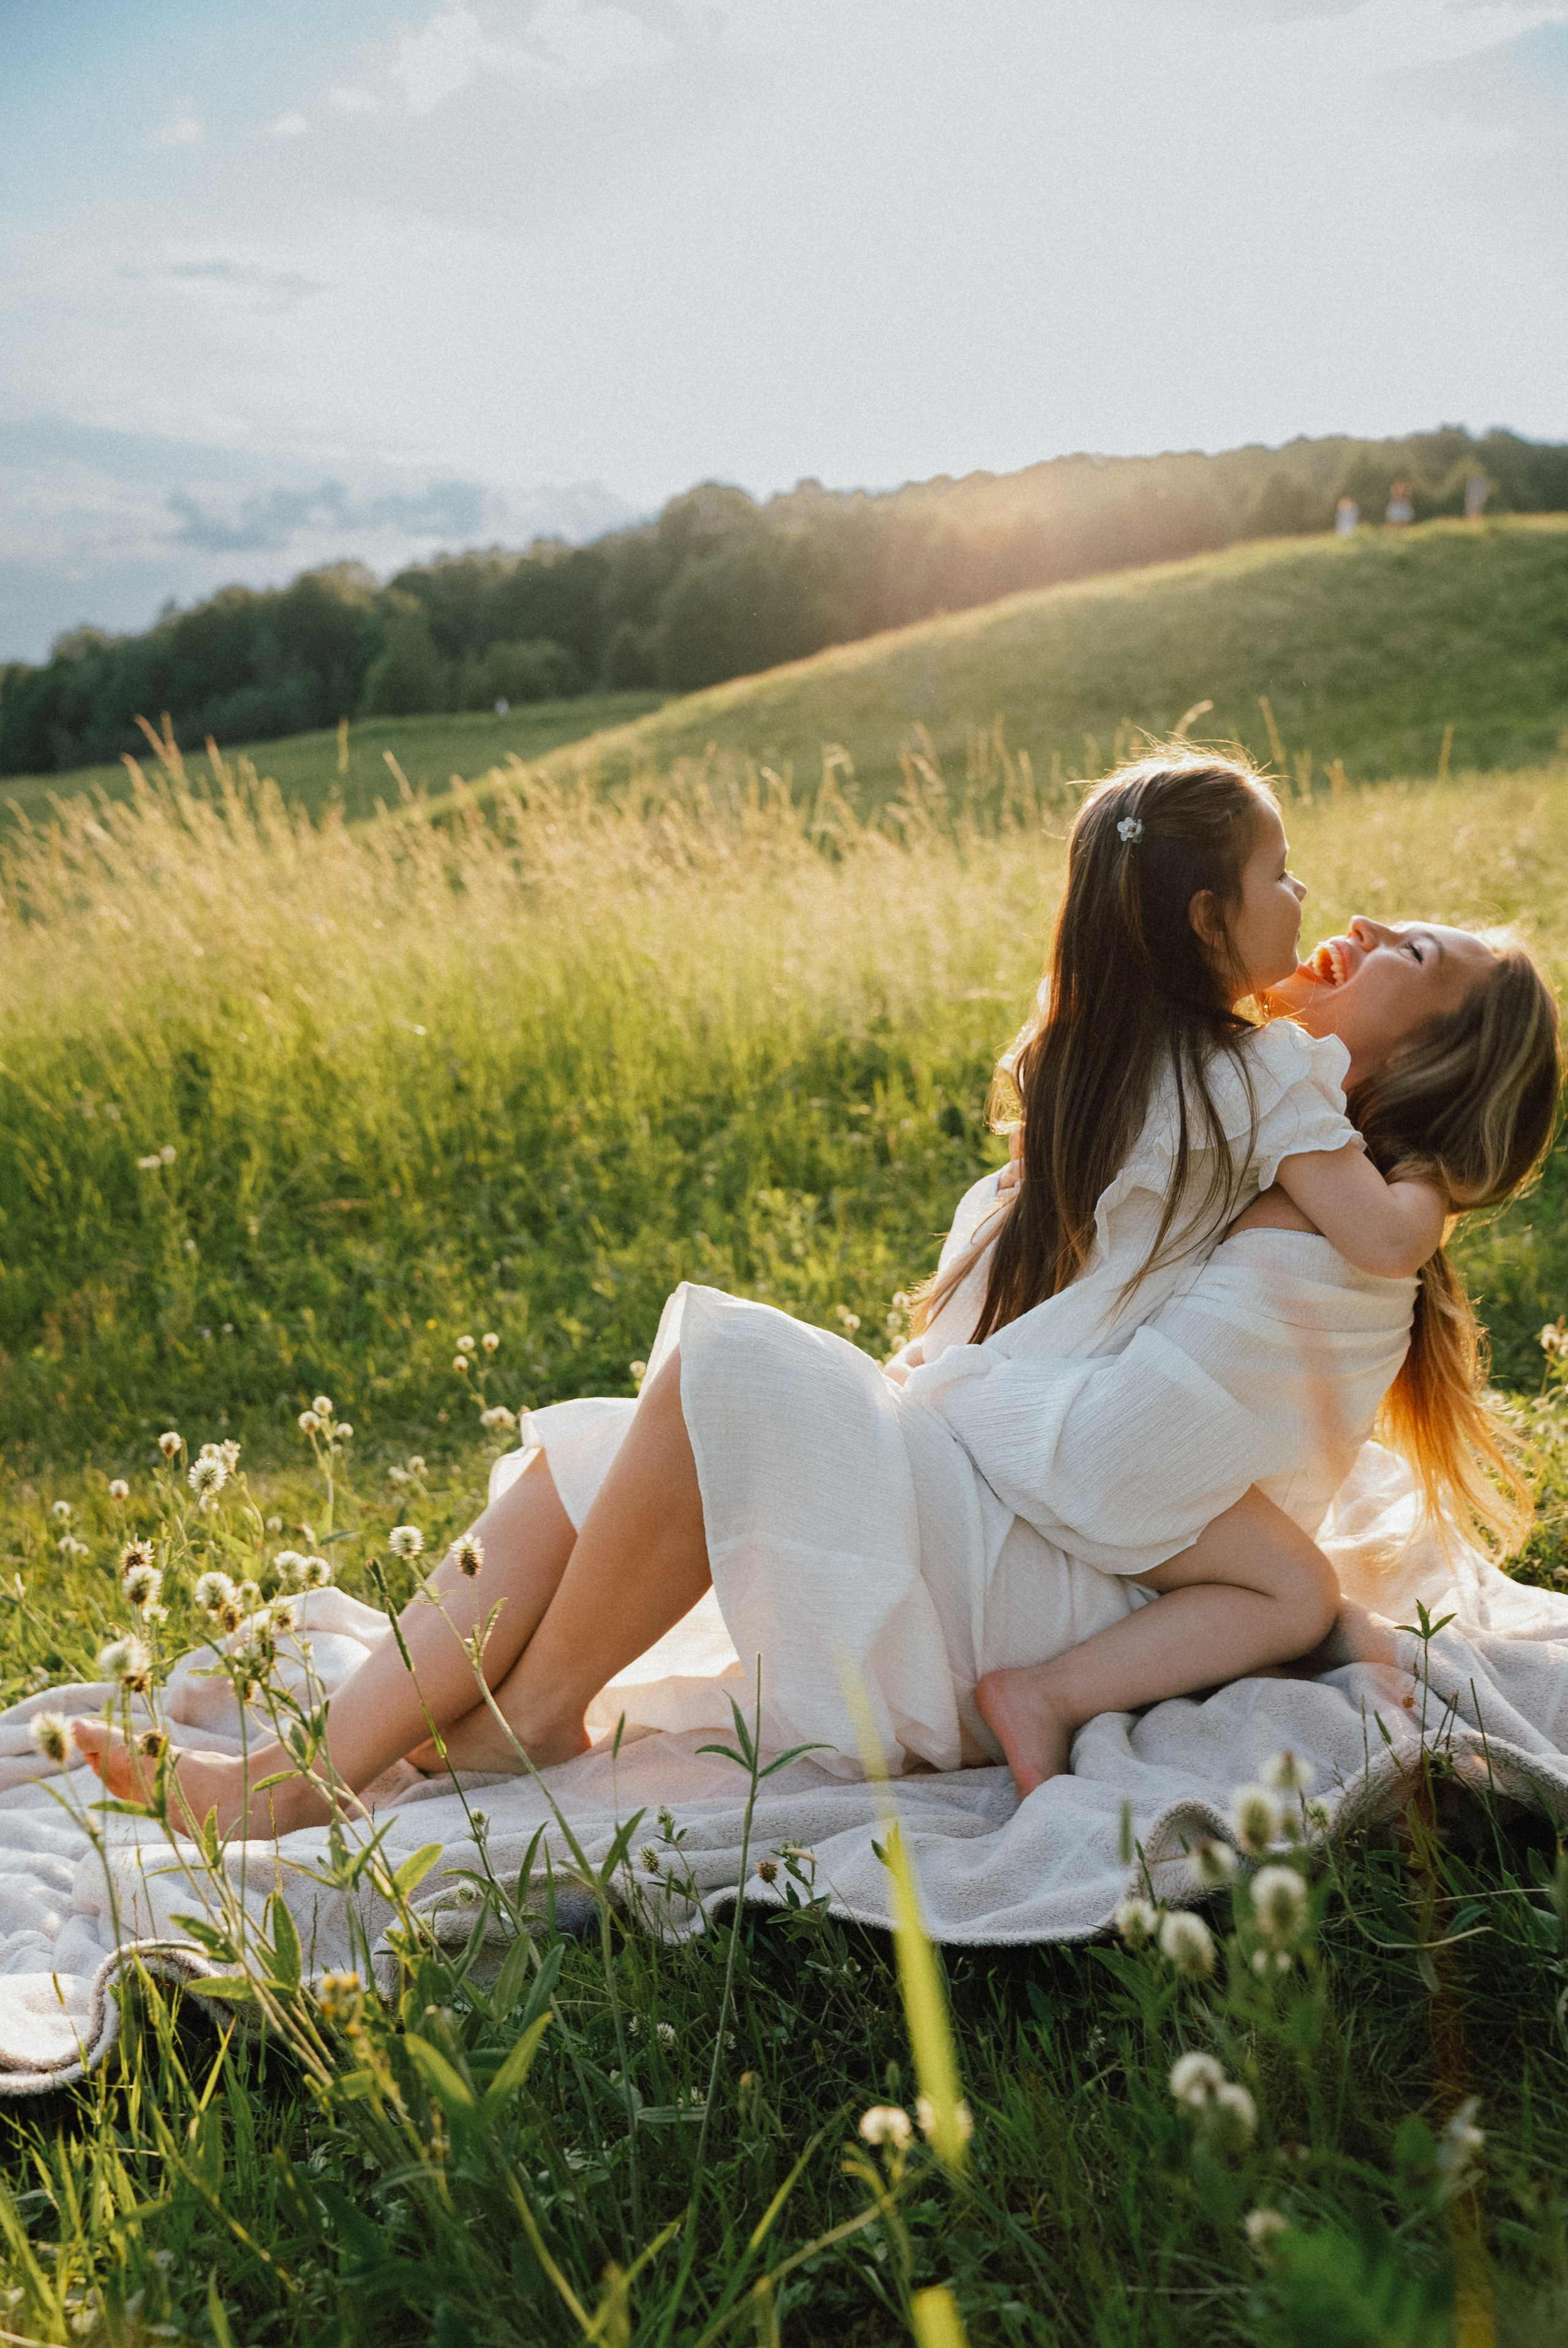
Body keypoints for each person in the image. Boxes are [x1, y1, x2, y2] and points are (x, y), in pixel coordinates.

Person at [75, 757, 1559, 1833]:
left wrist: (946, 1420)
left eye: (1405, 954)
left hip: (1014, 1577)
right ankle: (299, 1776)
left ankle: (518, 1729)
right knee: (584, 1453)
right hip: (996, 1503)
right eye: (1299, 894)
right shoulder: (1239, 1116)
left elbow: (1123, 1471)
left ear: (1433, 1060)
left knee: (731, 1366)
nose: (1344, 925)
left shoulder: (1335, 1229)